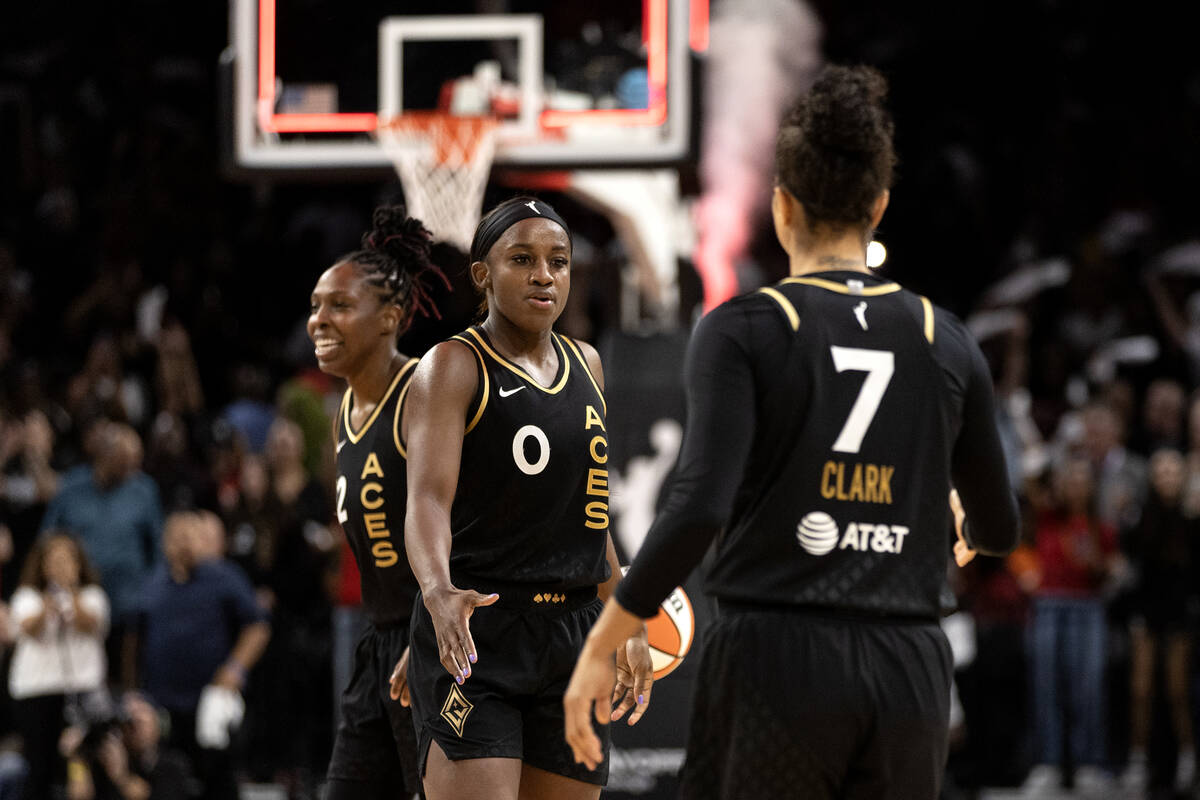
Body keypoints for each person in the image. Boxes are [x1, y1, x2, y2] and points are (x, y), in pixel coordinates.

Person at [563, 64, 1019, 800]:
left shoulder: (746, 328)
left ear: (781, 209)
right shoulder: (948, 337)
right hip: (908, 660)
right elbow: (997, 528)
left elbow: (700, 508)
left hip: (779, 654)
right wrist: (949, 508)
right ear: (879, 205)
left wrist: (609, 634)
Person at [402, 195, 653, 800]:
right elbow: (427, 500)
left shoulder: (587, 364)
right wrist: (437, 593)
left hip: (572, 631)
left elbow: (590, 517)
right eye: (523, 259)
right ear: (484, 275)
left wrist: (626, 616)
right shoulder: (453, 364)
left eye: (558, 261)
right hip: (480, 628)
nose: (545, 274)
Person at [308, 205, 448, 800]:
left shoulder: (422, 395)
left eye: (339, 306)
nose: (319, 320)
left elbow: (466, 524)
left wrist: (428, 637)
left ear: (391, 317)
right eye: (316, 305)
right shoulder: (342, 411)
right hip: (379, 647)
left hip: (439, 643)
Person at [134, 511, 270, 800]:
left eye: (190, 535)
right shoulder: (153, 582)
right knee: (169, 779)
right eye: (177, 536)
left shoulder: (223, 576)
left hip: (210, 700)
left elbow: (257, 627)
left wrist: (235, 668)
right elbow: (135, 637)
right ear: (165, 543)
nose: (184, 543)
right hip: (163, 701)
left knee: (217, 778)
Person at [6, 532, 110, 799]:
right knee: (40, 765)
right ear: (42, 565)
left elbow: (91, 623)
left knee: (82, 762)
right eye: (54, 560)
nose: (61, 565)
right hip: (37, 692)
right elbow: (28, 628)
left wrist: (71, 591)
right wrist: (50, 601)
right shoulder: (27, 596)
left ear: (79, 563)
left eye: (67, 559)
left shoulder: (93, 595)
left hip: (81, 690)